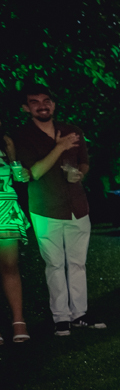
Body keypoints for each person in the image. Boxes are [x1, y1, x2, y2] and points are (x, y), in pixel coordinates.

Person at [13, 85, 103, 336]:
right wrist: (60, 147)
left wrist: (79, 174)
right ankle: (61, 317)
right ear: (26, 107)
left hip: (77, 206)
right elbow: (36, 172)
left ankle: (79, 314)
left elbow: (84, 162)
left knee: (77, 263)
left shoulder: (73, 130)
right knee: (54, 264)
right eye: (35, 102)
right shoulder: (23, 136)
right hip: (45, 208)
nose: (42, 105)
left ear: (53, 104)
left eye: (46, 101)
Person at [1, 124, 31, 344]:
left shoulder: (5, 144)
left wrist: (13, 158)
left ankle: (18, 321)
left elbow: (20, 178)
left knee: (10, 265)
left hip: (7, 210)